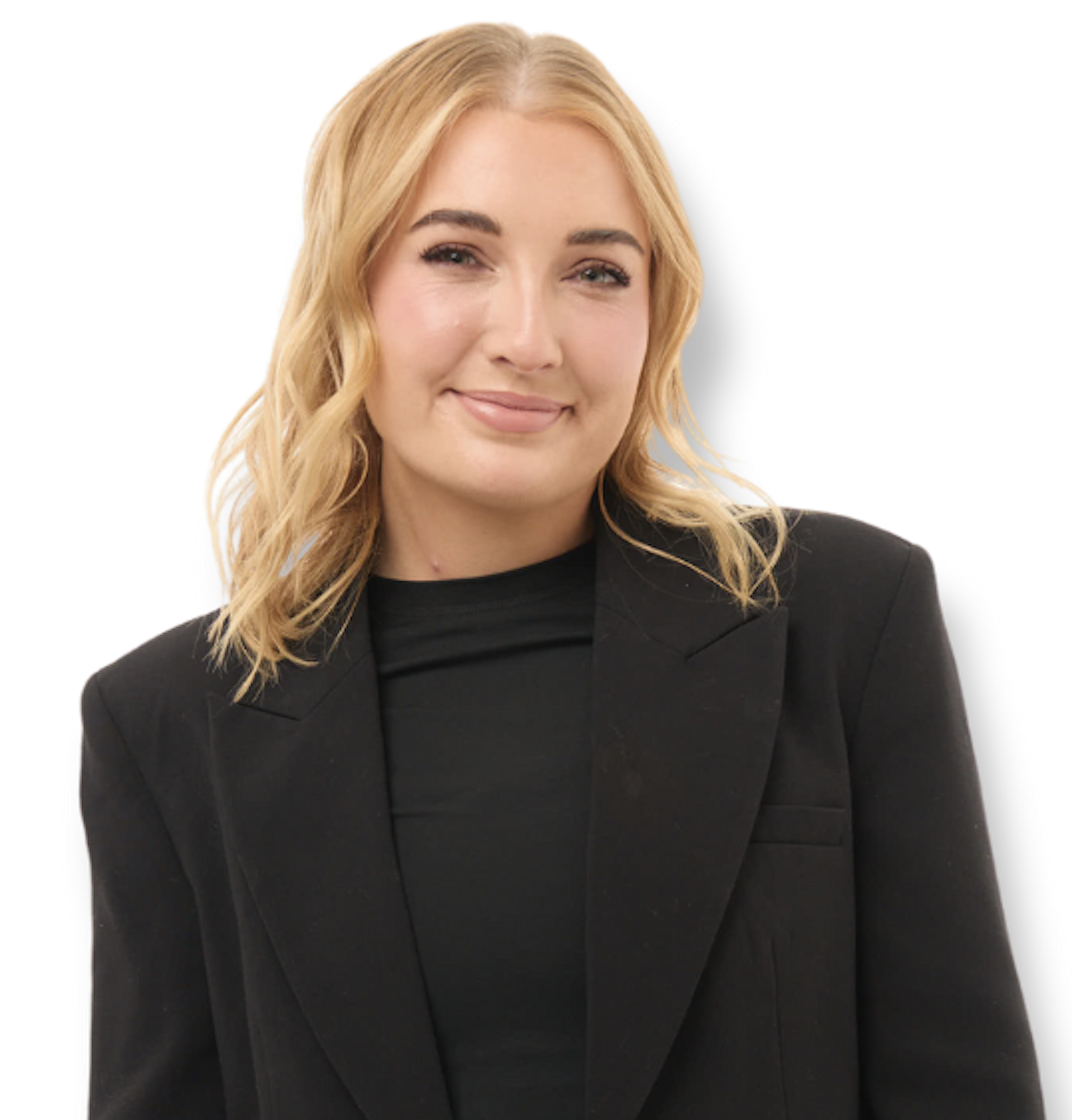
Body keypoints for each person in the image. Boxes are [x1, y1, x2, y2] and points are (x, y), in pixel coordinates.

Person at [79, 22, 1046, 1120]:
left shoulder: (839, 621)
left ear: (656, 315)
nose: (530, 338)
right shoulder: (168, 723)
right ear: (351, 287)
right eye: (458, 255)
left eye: (596, 272)